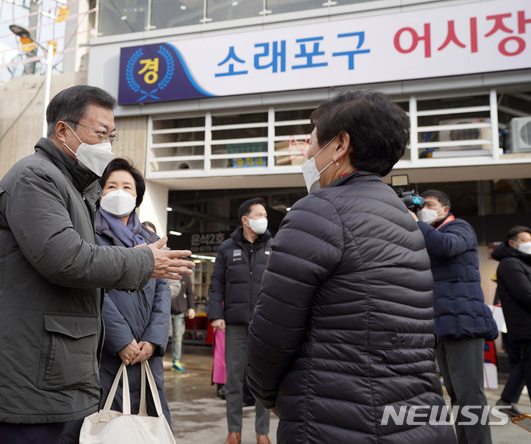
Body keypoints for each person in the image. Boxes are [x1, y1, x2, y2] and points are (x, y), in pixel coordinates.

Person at [0, 85, 193, 444]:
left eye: (112, 136)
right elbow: (66, 259)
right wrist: (143, 261)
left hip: (56, 373)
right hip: (26, 378)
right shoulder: (35, 177)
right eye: (100, 133)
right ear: (62, 130)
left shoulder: (74, 189)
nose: (107, 144)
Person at [246, 91, 456, 443]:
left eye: (312, 143)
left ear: (340, 144)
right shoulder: (404, 221)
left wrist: (267, 395)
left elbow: (272, 331)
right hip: (416, 416)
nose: (307, 155)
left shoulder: (317, 211)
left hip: (337, 420)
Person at [61, 159, 172, 443]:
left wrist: (154, 340)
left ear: (137, 196)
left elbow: (162, 295)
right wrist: (121, 340)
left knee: (146, 428)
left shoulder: (152, 240)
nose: (119, 192)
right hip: (102, 353)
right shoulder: (87, 235)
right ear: (100, 192)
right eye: (111, 186)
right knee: (100, 427)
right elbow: (92, 291)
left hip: (147, 354)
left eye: (126, 186)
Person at [411, 188, 498, 444]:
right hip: (442, 324)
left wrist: (415, 223)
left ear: (445, 210)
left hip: (464, 322)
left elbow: (447, 247)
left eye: (429, 204)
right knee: (457, 396)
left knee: (470, 396)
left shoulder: (459, 228)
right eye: (421, 205)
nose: (423, 209)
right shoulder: (431, 234)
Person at [208, 197, 272, 444]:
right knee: (234, 378)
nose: (263, 219)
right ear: (245, 220)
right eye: (259, 215)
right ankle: (233, 431)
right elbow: (216, 284)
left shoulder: (273, 246)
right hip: (234, 323)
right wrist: (215, 315)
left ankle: (262, 432)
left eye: (264, 215)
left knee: (263, 379)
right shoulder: (227, 248)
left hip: (264, 324)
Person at [492, 226, 531, 416]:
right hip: (525, 325)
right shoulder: (510, 264)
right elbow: (525, 294)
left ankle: (505, 402)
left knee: (524, 364)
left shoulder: (523, 263)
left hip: (525, 325)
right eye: (524, 240)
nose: (528, 244)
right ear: (512, 243)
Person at [169, 268, 195, 372]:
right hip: (164, 312)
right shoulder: (165, 274)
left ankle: (176, 361)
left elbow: (190, 293)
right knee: (161, 337)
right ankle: (156, 360)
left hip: (179, 313)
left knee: (177, 338)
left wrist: (191, 307)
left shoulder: (185, 277)